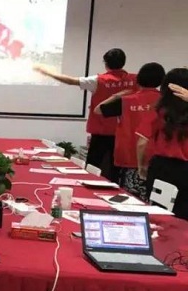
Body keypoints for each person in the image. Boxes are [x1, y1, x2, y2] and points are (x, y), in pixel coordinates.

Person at [34, 48, 137, 180]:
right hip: (124, 134)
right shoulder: (135, 80)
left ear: (106, 63)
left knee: (93, 167)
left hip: (101, 132)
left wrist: (48, 73)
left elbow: (71, 81)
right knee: (116, 170)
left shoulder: (99, 80)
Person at [95, 62, 165, 198]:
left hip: (128, 157)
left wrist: (116, 96)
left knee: (125, 198)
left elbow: (98, 110)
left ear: (139, 79)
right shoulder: (165, 102)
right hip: (155, 158)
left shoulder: (127, 101)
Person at [137, 68, 188, 220]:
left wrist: (141, 166)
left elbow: (142, 142)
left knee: (157, 216)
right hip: (184, 171)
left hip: (160, 168)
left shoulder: (159, 110)